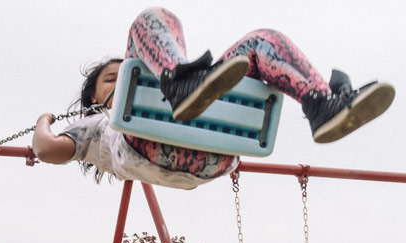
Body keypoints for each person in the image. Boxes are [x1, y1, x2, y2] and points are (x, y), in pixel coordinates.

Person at [32, 7, 394, 190]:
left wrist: (43, 122)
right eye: (113, 79)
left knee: (260, 41)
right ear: (95, 101)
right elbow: (48, 150)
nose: (125, 78)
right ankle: (180, 84)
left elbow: (45, 150)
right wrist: (45, 123)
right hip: (157, 148)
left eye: (127, 71)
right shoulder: (96, 124)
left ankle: (322, 105)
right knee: (153, 19)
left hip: (215, 156)